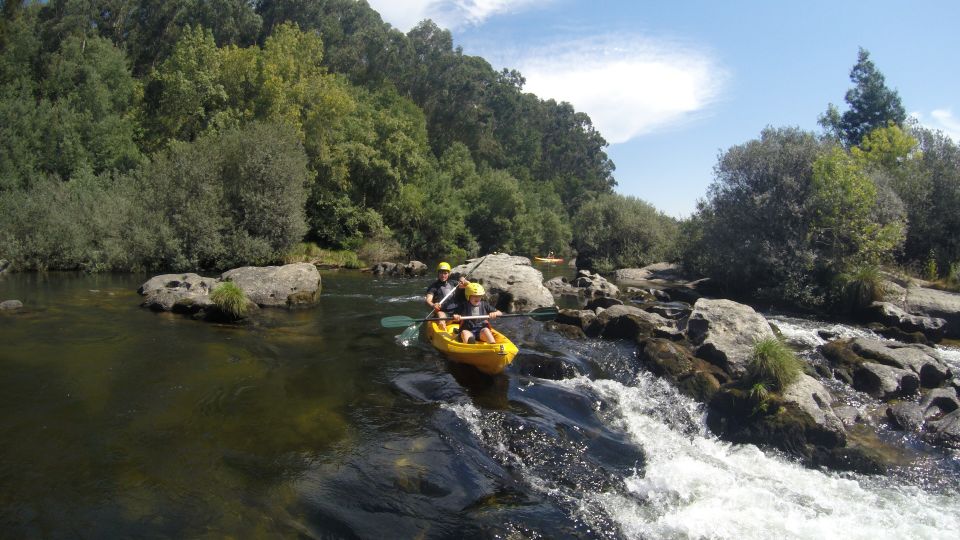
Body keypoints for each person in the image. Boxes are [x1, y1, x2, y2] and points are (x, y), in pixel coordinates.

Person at [424, 262, 468, 330]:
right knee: (441, 314)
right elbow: (428, 300)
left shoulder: (454, 283)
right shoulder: (433, 287)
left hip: (457, 311)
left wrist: (465, 281)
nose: (443, 275)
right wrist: (433, 305)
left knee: (468, 310)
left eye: (445, 273)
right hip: (443, 312)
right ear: (438, 273)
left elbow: (470, 287)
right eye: (441, 273)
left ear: (449, 274)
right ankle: (443, 330)